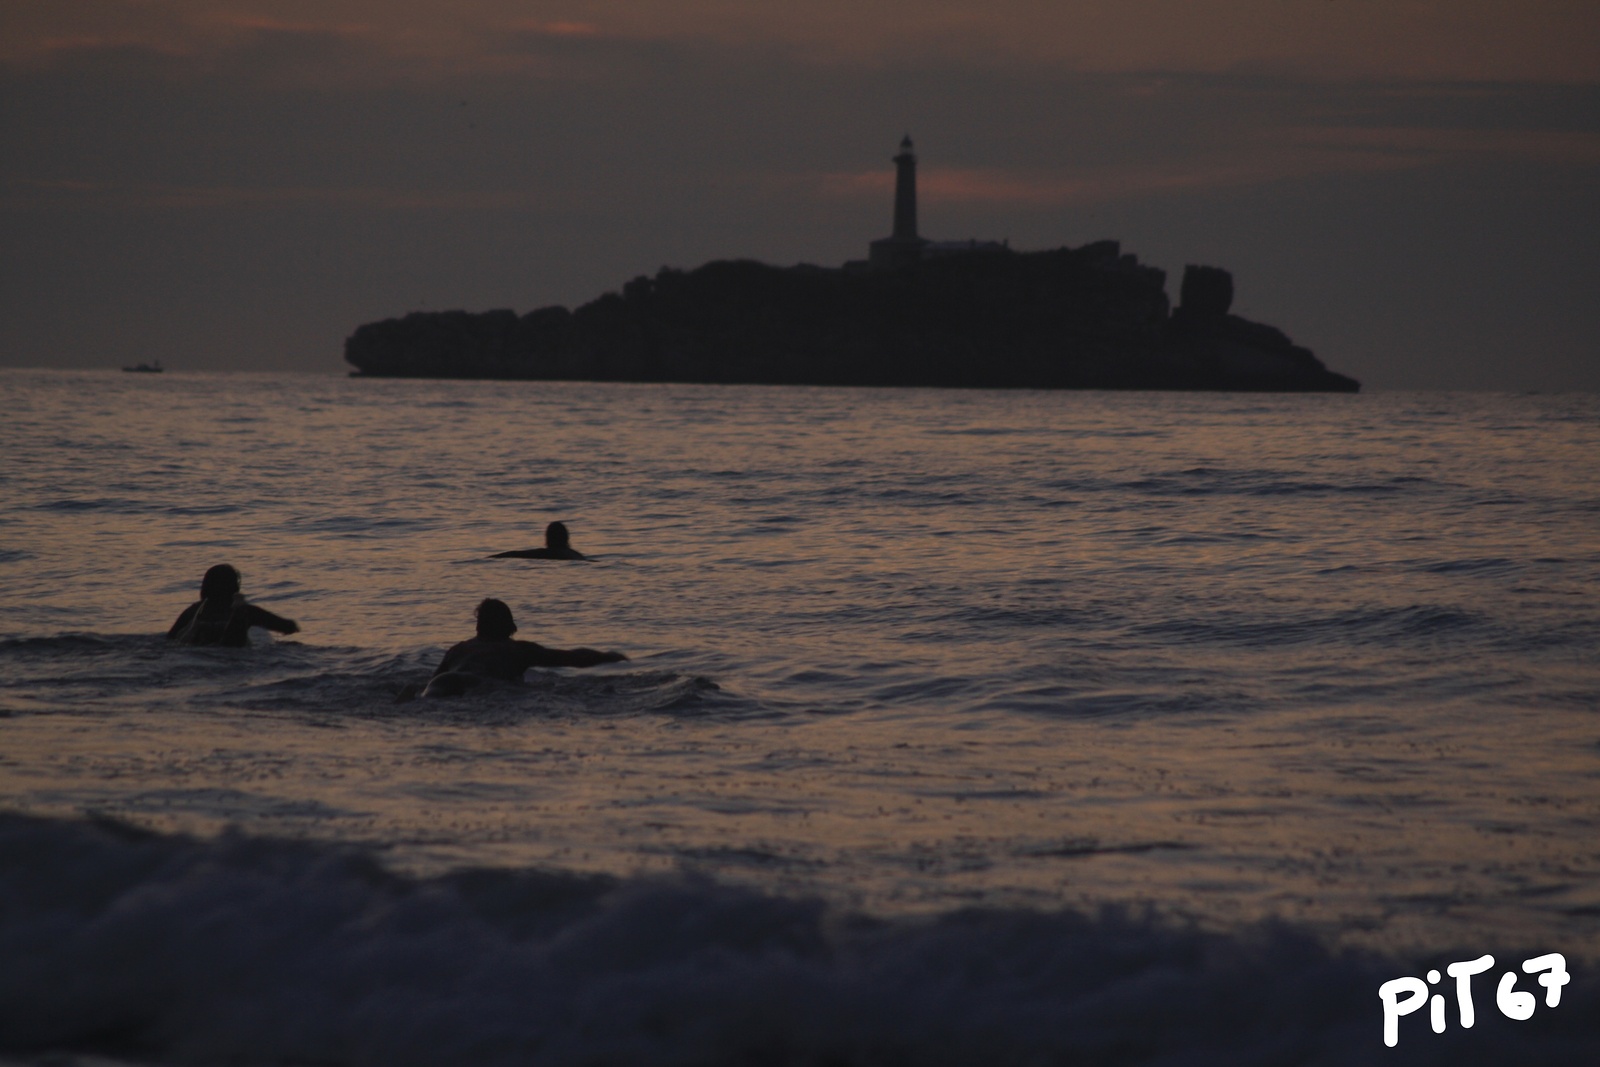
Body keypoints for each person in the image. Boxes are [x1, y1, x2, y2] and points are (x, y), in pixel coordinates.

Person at [419, 597, 625, 697]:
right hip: (475, 685)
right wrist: (609, 657)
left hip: (440, 684)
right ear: (511, 627)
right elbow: (571, 658)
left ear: (478, 626)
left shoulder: (457, 650)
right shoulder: (517, 650)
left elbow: (425, 683)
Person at [167, 564, 299, 647]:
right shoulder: (250, 611)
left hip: (200, 645)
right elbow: (288, 627)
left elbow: (170, 638)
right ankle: (237, 620)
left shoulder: (194, 610)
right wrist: (292, 625)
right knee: (234, 642)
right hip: (234, 648)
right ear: (235, 587)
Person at [489, 521, 587, 560]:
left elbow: (520, 554)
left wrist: (494, 557)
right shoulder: (577, 555)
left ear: (548, 538)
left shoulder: (548, 554)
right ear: (567, 538)